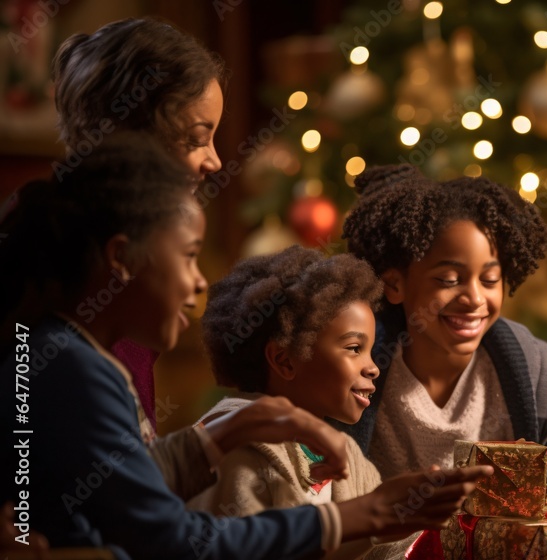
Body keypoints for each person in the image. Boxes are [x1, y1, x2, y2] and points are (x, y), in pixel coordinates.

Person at [0, 135, 487, 559]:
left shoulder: (63, 353)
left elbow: (120, 490)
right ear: (122, 258)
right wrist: (368, 513)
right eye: (189, 256)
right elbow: (169, 539)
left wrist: (227, 431)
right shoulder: (67, 368)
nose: (198, 283)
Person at [189, 247, 436, 558]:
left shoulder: (349, 459)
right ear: (285, 360)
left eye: (371, 351)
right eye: (354, 347)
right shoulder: (238, 451)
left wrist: (420, 522)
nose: (374, 367)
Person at [335, 164, 547, 482]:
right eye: (448, 279)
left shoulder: (538, 371)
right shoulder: (353, 370)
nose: (474, 298)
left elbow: (541, 498)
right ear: (394, 285)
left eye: (489, 278)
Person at [49, 17, 226, 428]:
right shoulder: (84, 284)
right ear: (134, 139)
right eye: (197, 139)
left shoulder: (130, 257)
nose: (215, 161)